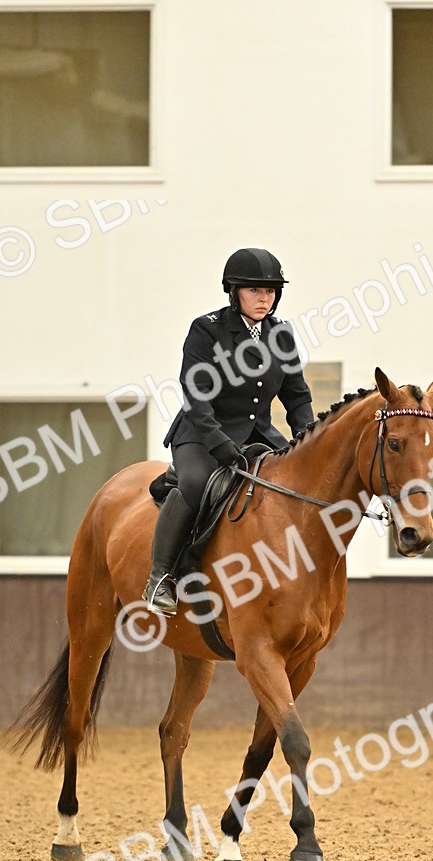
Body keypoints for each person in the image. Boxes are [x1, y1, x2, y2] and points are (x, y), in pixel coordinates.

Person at [142, 247, 315, 615]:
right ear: (234, 292)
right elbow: (196, 394)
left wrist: (308, 441)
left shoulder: (280, 335)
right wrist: (217, 441)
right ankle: (161, 577)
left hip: (259, 435)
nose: (263, 298)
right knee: (195, 483)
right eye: (254, 290)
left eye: (270, 291)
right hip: (202, 432)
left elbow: (297, 397)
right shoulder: (207, 329)